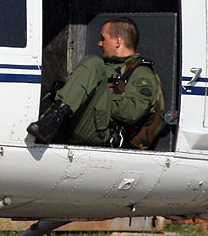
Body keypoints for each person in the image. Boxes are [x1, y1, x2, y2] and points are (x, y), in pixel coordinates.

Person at [27, 17, 165, 148]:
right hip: (77, 122)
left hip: (102, 133)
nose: (99, 43)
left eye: (103, 39)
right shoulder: (104, 67)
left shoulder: (141, 73)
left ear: (118, 41)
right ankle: (48, 122)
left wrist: (96, 97)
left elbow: (131, 112)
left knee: (93, 62)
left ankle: (52, 121)